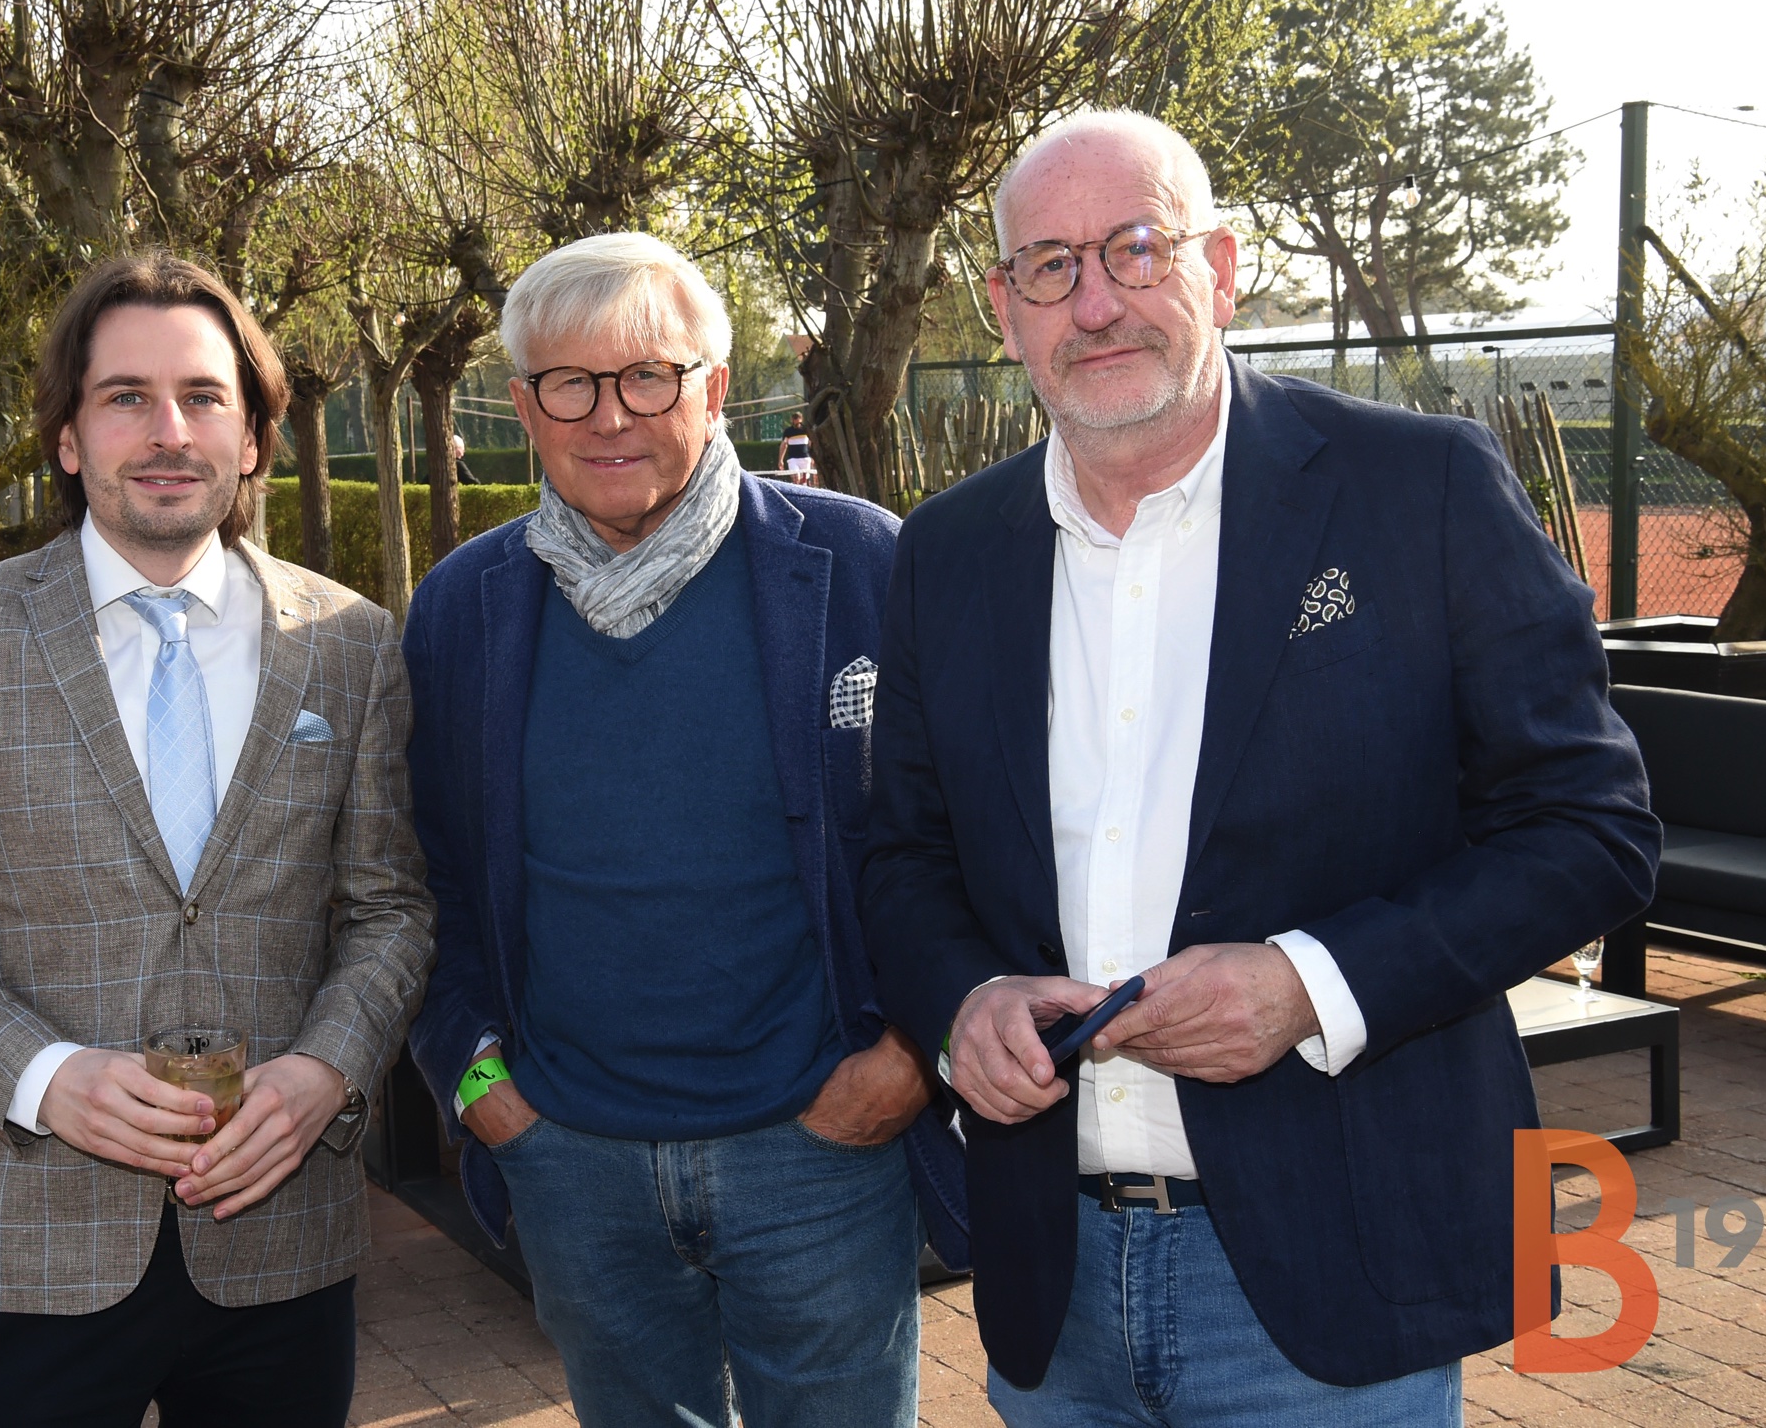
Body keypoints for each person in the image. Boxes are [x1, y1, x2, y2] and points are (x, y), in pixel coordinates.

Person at [859, 111, 1660, 1426]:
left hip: (1337, 1271)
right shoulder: (944, 551)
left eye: (1137, 248)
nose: (1097, 303)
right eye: (1052, 266)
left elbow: (1590, 829)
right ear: (1004, 311)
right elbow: (901, 852)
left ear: (1222, 270)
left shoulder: (1419, 489)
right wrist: (960, 1004)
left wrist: (1309, 985)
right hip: (1048, 1279)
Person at [0, 252, 435, 1428]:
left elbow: (389, 911)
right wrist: (44, 1079)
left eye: (203, 397)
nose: (168, 432)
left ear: (253, 438)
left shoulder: (350, 644)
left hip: (282, 1248)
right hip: (36, 1249)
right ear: (67, 437)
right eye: (125, 398)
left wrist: (327, 1070)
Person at [403, 231, 962, 1428]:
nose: (612, 416)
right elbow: (426, 876)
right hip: (573, 1162)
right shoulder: (461, 609)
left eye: (649, 375)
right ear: (524, 406)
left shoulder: (863, 563)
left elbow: (965, 837)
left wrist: (912, 1059)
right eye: (571, 382)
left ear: (714, 388)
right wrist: (480, 1084)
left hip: (821, 1152)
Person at [780, 411, 815, 484]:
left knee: (804, 480)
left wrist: (812, 457)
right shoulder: (788, 431)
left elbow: (811, 443)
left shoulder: (806, 430)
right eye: (794, 418)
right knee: (796, 478)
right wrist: (781, 460)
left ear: (801, 419)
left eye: (798, 418)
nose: (796, 420)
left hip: (805, 458)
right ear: (792, 420)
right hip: (793, 459)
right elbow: (784, 445)